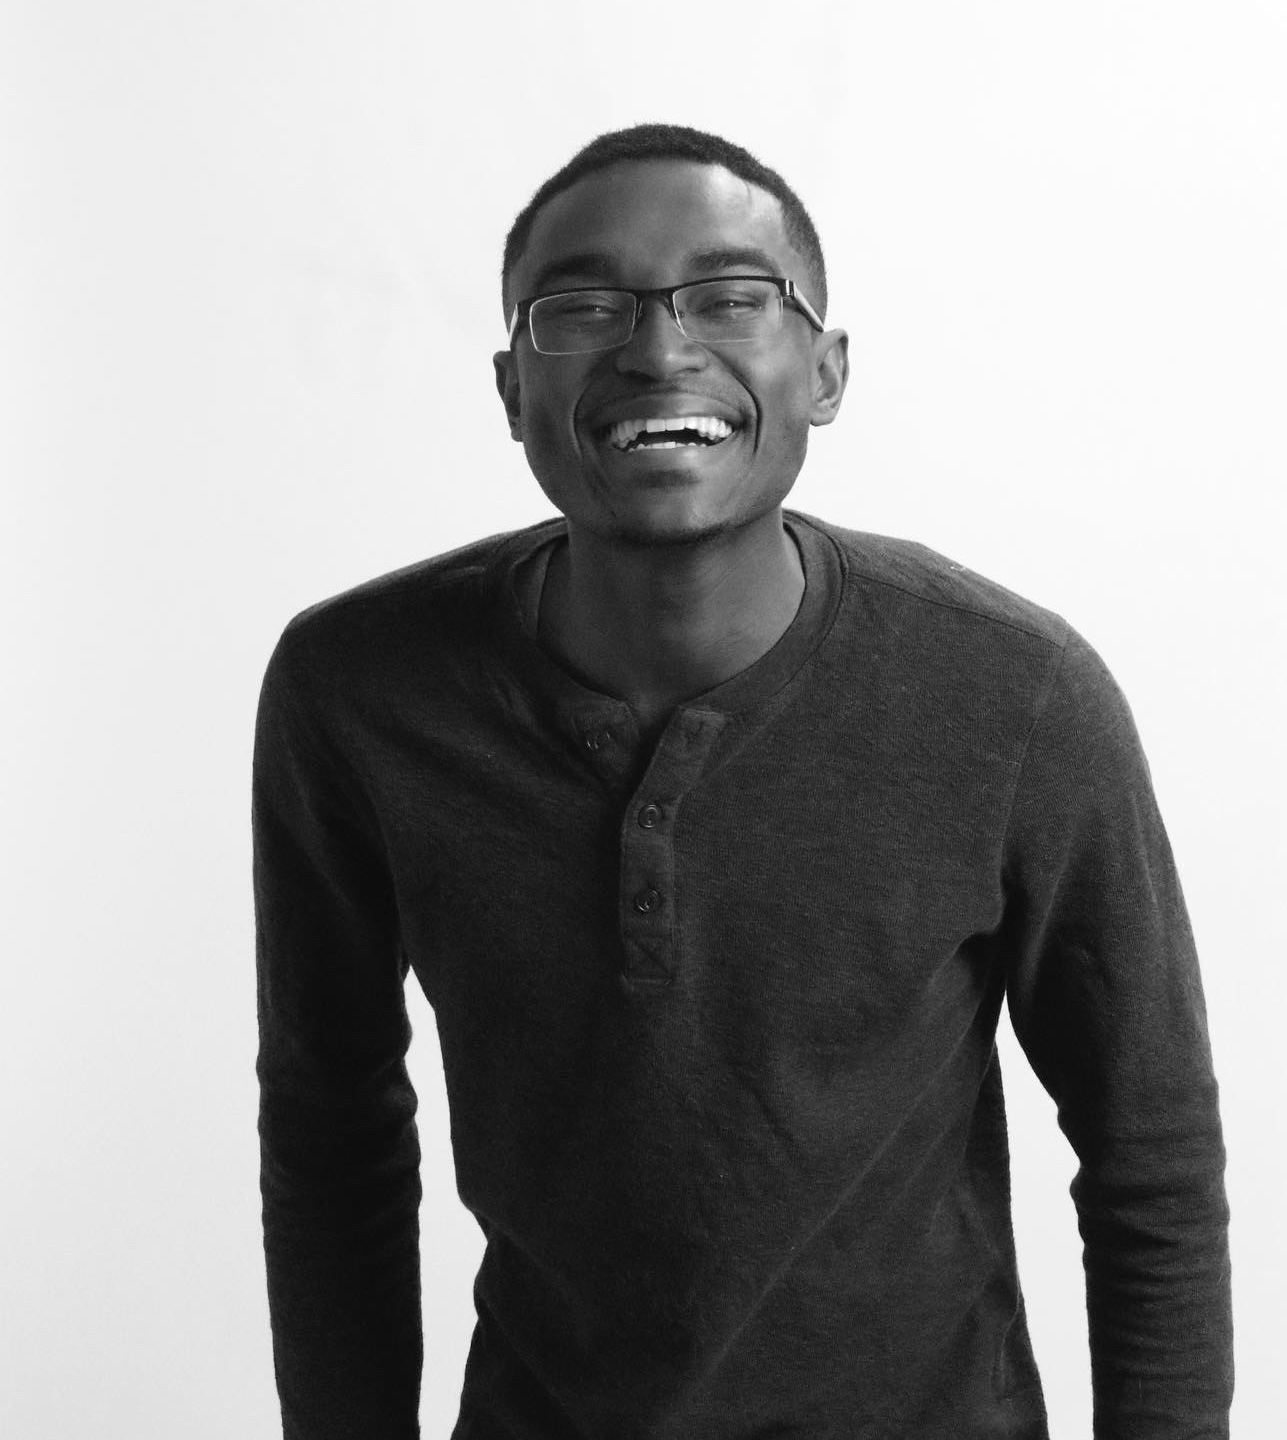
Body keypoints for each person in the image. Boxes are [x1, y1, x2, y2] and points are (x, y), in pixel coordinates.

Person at [254, 123, 1233, 1440]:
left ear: (825, 371)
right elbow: (333, 1137)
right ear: (508, 390)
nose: (660, 350)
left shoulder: (1013, 696)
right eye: (584, 306)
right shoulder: (357, 694)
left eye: (732, 297)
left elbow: (1148, 1151)